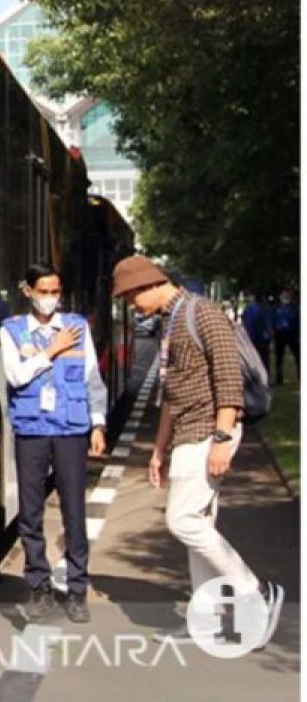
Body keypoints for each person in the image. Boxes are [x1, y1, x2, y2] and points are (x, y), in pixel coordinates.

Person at [112, 255, 283, 646]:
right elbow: (171, 392)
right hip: (188, 433)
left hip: (209, 430)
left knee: (183, 520)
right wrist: (159, 449)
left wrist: (222, 439)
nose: (131, 307)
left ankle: (255, 592)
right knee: (199, 526)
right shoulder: (171, 322)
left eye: (129, 298)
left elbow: (228, 380)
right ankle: (204, 622)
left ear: (148, 285)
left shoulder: (204, 314)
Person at [0, 262, 107, 624]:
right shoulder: (11, 331)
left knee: (73, 510)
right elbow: (15, 375)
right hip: (32, 429)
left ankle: (77, 589)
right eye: (43, 291)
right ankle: (39, 586)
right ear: (27, 291)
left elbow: (92, 377)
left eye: (55, 291)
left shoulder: (77, 328)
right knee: (30, 512)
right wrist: (51, 351)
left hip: (71, 429)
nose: (50, 299)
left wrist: (98, 423)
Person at [272, 289, 299, 385]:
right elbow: (273, 320)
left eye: (286, 295)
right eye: (283, 295)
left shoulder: (294, 308)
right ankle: (279, 379)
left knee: (298, 356)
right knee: (279, 358)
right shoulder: (276, 308)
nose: (285, 297)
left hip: (291, 334)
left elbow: (297, 321)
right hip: (280, 334)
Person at [241, 292, 273, 373]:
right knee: (264, 359)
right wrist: (270, 336)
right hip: (262, 338)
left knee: (253, 359)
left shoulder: (248, 309)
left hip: (250, 338)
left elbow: (244, 322)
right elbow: (267, 325)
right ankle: (265, 376)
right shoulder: (264, 309)